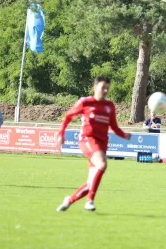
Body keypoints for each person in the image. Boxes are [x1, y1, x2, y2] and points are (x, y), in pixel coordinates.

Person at [56, 76, 131, 212]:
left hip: (102, 143)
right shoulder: (85, 102)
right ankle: (90, 201)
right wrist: (61, 133)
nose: (106, 90)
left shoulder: (109, 105)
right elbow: (68, 116)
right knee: (102, 164)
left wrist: (124, 135)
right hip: (87, 139)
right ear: (94, 87)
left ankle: (69, 200)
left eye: (107, 88)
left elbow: (113, 126)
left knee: (91, 183)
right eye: (103, 87)